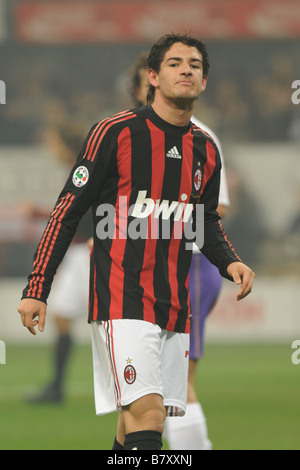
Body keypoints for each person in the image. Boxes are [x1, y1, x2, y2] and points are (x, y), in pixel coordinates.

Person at [18, 33, 255, 451]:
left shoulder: (206, 150)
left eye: (195, 65)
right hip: (121, 299)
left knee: (133, 428)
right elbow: (66, 211)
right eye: (175, 63)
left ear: (204, 83)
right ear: (153, 76)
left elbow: (204, 222)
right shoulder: (115, 132)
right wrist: (38, 287)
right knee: (149, 415)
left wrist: (230, 261)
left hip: (174, 305)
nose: (186, 70)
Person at [128, 53, 230, 450]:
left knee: (179, 385)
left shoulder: (199, 137)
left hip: (190, 265)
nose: (143, 90)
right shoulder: (132, 134)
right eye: (141, 83)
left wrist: (161, 219)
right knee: (143, 395)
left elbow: (216, 208)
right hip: (143, 272)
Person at [25, 123, 92, 403]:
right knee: (65, 316)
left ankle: (57, 387)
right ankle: (56, 386)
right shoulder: (80, 168)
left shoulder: (81, 170)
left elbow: (69, 214)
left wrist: (38, 212)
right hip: (83, 252)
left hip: (87, 252)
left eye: (52, 141)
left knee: (72, 316)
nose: (49, 147)